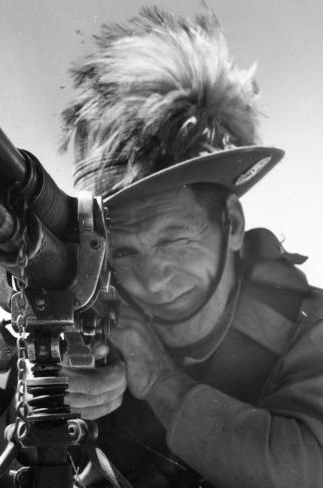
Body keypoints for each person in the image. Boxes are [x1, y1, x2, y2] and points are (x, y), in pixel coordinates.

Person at [59, 7, 323, 488]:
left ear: (234, 226)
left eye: (175, 241)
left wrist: (158, 380)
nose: (151, 280)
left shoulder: (312, 330)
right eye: (124, 253)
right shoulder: (97, 317)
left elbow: (303, 469)